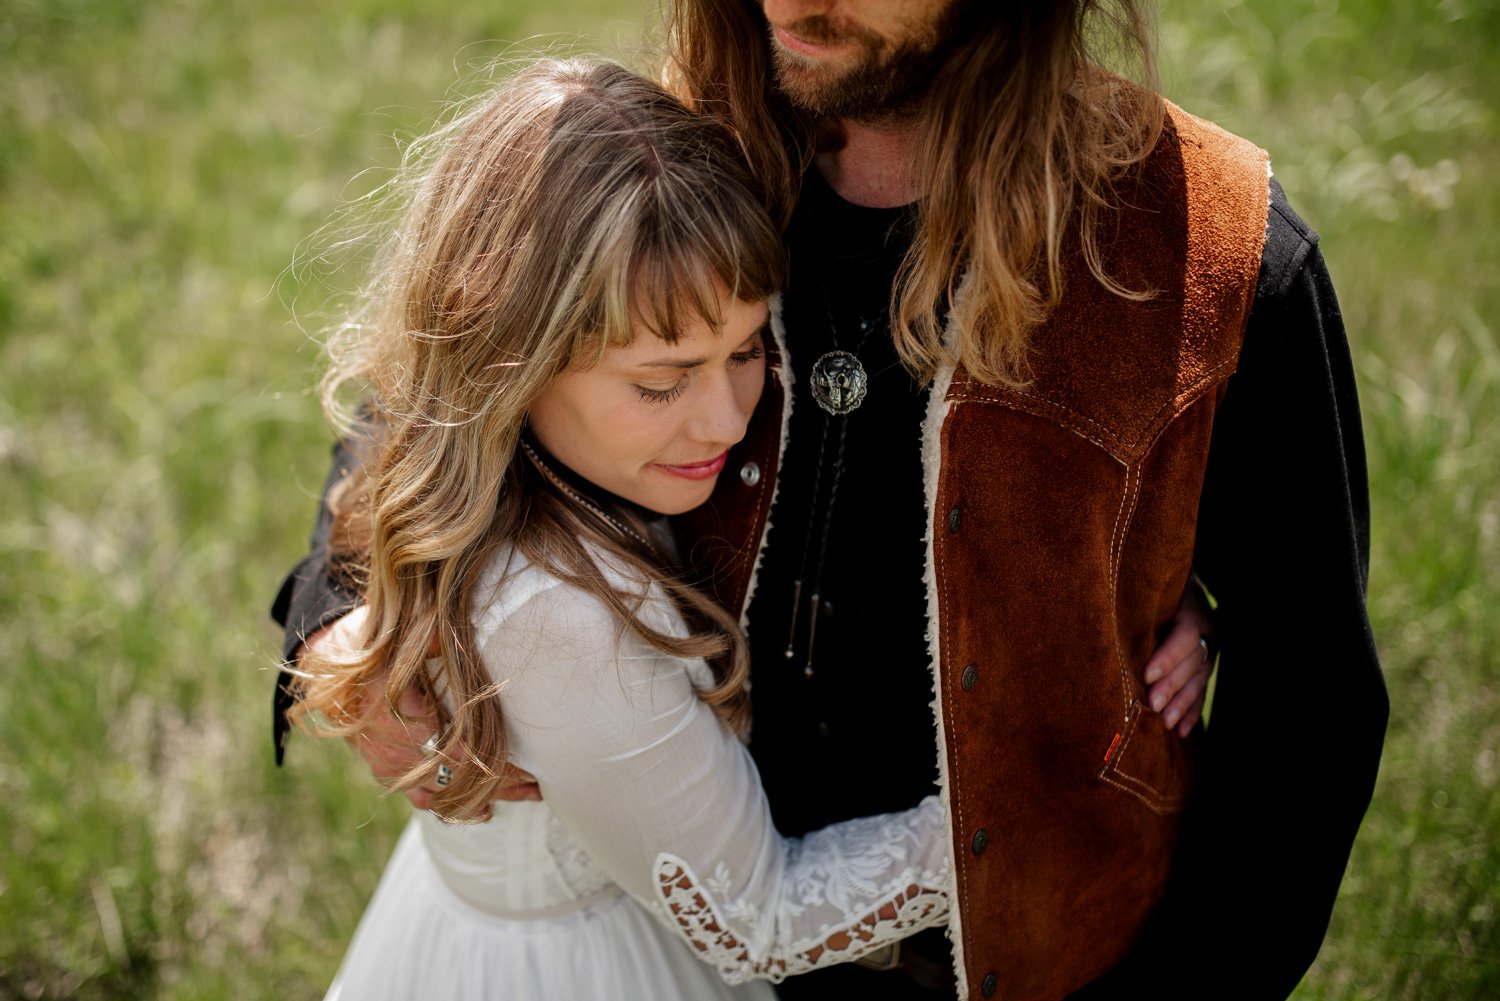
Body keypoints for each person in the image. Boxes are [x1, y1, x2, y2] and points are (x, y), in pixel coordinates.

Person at [276, 2, 1388, 999]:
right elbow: (432, 382)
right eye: (666, 380)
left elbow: (1312, 716)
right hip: (694, 951)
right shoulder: (670, 144)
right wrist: (340, 617)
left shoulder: (1215, 255)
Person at [283, 58, 965, 1001]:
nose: (727, 419)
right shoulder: (561, 620)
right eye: (659, 382)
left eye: (746, 350)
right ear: (507, 363)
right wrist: (1009, 823)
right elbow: (758, 916)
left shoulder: (509, 460)